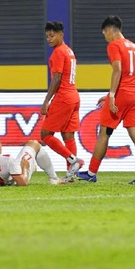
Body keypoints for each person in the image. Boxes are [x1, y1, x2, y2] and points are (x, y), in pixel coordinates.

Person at [76, 15, 135, 184]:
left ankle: (91, 173)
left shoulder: (114, 45)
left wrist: (113, 95)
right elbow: (129, 75)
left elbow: (118, 70)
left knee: (104, 134)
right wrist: (109, 94)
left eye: (104, 34)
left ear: (110, 30)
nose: (105, 38)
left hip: (121, 95)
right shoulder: (134, 47)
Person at [40, 21, 83, 182]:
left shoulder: (58, 52)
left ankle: (73, 160)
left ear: (61, 35)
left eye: (52, 36)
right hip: (74, 96)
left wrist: (46, 101)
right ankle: (71, 175)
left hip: (64, 97)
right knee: (68, 135)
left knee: (45, 134)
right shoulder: (69, 51)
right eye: (47, 36)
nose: (49, 39)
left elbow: (57, 78)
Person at [0, 122, 60, 186]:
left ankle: (37, 168)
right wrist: (24, 167)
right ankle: (53, 178)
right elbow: (23, 182)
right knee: (34, 144)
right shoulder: (6, 159)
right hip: (16, 176)